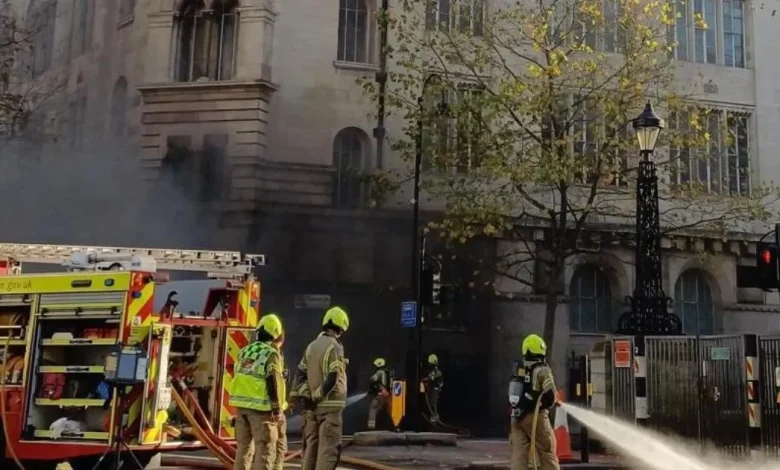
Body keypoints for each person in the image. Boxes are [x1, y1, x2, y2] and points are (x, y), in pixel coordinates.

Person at [230, 314, 289, 470]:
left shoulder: (244, 351)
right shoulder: (271, 354)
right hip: (262, 411)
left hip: (242, 409)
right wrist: (276, 409)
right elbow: (273, 380)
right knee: (264, 453)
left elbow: (238, 374)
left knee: (243, 451)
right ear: (276, 332)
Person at [294, 306, 349, 470]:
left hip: (311, 410)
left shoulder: (311, 346)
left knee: (311, 448)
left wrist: (307, 397)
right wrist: (317, 396)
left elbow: (300, 374)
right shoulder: (335, 346)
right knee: (328, 452)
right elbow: (333, 377)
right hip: (330, 409)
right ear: (339, 329)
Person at [508, 334, 559, 470]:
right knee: (547, 451)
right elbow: (550, 395)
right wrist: (549, 401)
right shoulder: (543, 369)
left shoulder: (519, 367)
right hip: (535, 417)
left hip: (516, 416)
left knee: (519, 456)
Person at [367, 357, 390, 430]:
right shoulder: (387, 372)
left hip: (380, 394)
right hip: (386, 395)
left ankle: (371, 427)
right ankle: (385, 426)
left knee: (372, 407)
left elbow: (373, 379)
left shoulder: (379, 372)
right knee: (380, 409)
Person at [421, 353, 443, 423]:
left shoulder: (436, 371)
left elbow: (431, 378)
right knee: (431, 402)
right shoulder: (434, 370)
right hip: (433, 388)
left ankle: (435, 416)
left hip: (435, 389)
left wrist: (424, 380)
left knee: (433, 403)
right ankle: (433, 415)